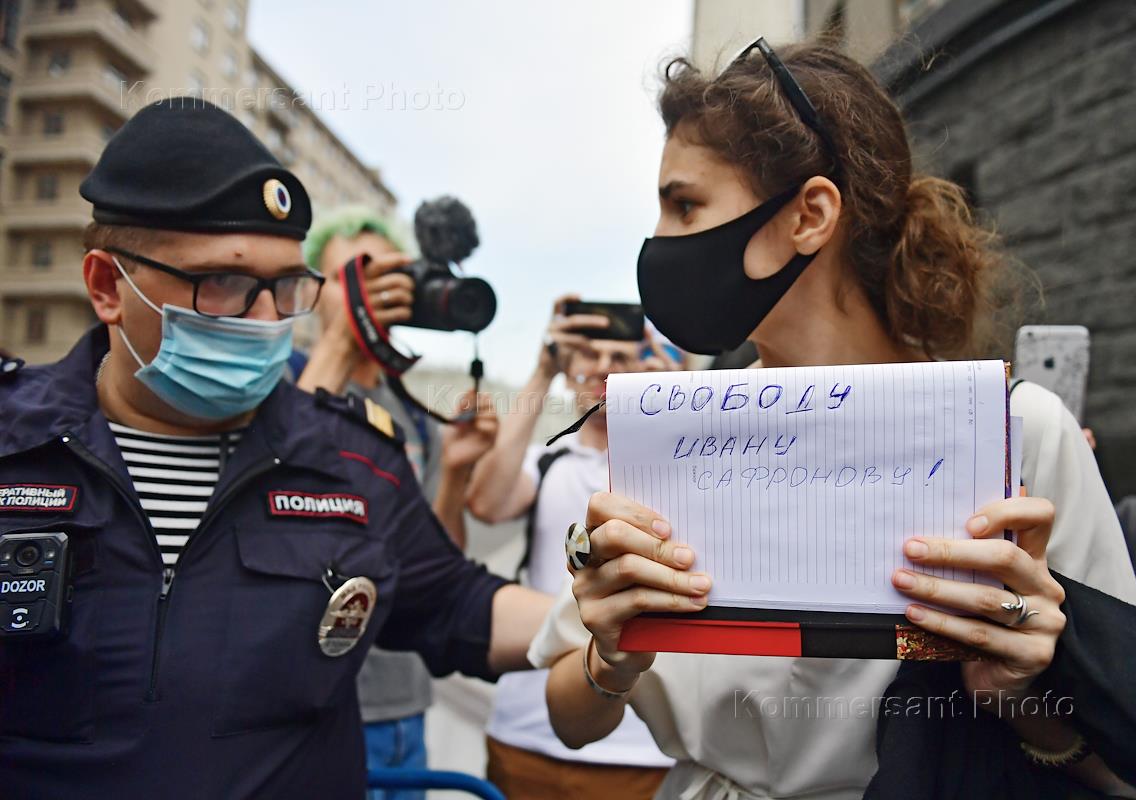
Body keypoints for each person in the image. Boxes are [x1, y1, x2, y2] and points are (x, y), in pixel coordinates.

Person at [529, 41, 1136, 799]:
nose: (658, 240)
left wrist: (1024, 696)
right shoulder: (675, 430)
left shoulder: (1017, 433)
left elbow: (1135, 760)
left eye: (684, 205)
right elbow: (569, 717)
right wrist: (611, 656)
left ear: (810, 215)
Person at [0, 99, 549, 799]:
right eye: (224, 284)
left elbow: (458, 604)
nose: (266, 321)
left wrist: (595, 619)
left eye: (287, 287)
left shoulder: (352, 457)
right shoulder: (15, 443)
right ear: (108, 286)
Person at [298, 206, 501, 800]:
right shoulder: (289, 388)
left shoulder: (413, 415)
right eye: (354, 277)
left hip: (405, 700)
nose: (375, 293)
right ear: (311, 293)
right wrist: (338, 345)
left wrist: (455, 474)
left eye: (390, 277)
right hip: (315, 701)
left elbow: (440, 564)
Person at [467, 297, 679, 800]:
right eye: (589, 355)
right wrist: (542, 371)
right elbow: (487, 503)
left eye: (620, 357)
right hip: (526, 732)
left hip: (642, 746)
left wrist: (681, 398)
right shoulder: (548, 462)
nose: (604, 367)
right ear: (568, 371)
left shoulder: (674, 468)